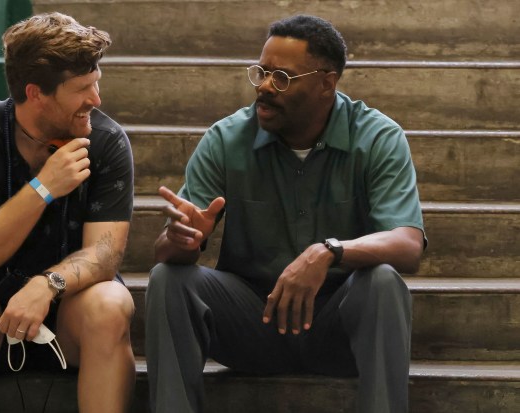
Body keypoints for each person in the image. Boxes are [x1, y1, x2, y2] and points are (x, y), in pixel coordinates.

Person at [145, 14, 426, 413]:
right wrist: (182, 240)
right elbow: (168, 253)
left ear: (326, 83)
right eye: (261, 72)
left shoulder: (377, 137)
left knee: (382, 282)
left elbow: (408, 243)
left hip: (340, 328)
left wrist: (329, 251)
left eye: (281, 78)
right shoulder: (226, 138)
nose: (263, 86)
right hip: (252, 324)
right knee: (168, 279)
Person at [0, 12, 135, 412]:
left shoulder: (106, 140)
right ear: (36, 93)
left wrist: (48, 284)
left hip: (68, 316)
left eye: (96, 83)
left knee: (111, 304)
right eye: (82, 89)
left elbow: (105, 255)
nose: (96, 100)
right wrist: (43, 187)